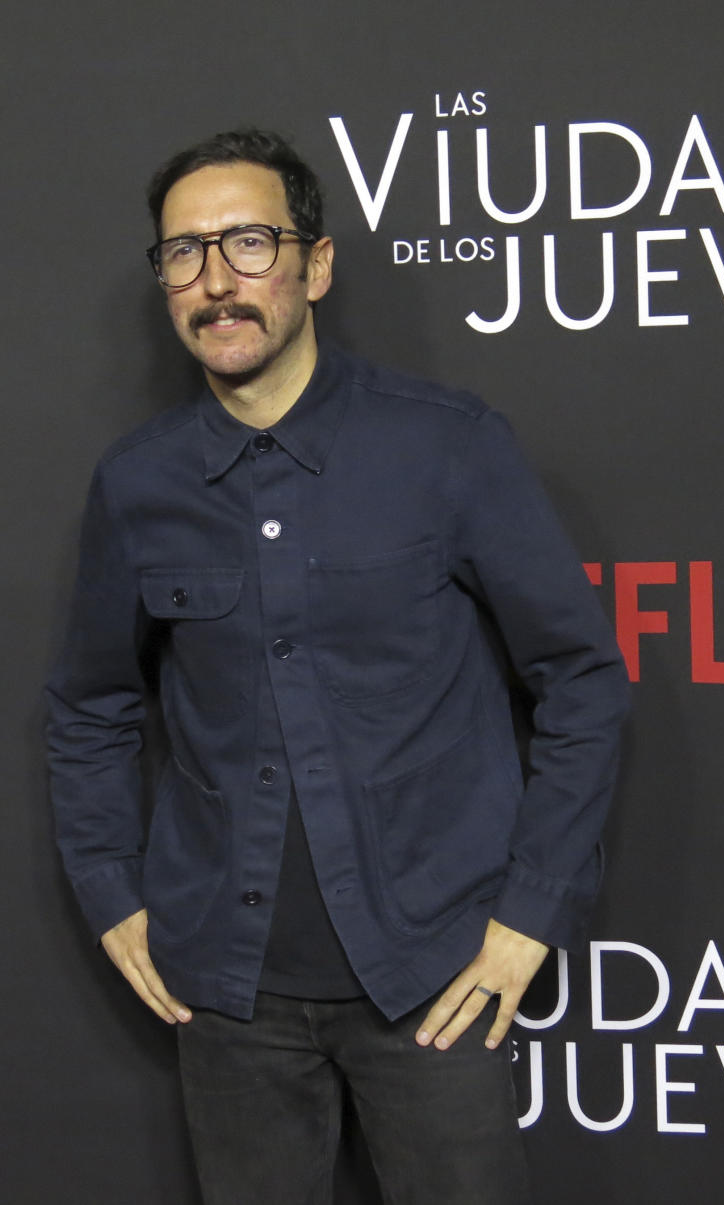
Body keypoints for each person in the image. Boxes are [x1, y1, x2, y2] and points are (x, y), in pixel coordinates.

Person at [46, 128, 629, 1205]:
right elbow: (90, 705)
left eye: (249, 244)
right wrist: (109, 887)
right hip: (227, 994)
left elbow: (582, 678)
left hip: (435, 979)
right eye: (184, 254)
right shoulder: (137, 484)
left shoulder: (447, 446)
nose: (216, 282)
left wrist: (526, 917)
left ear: (315, 265)